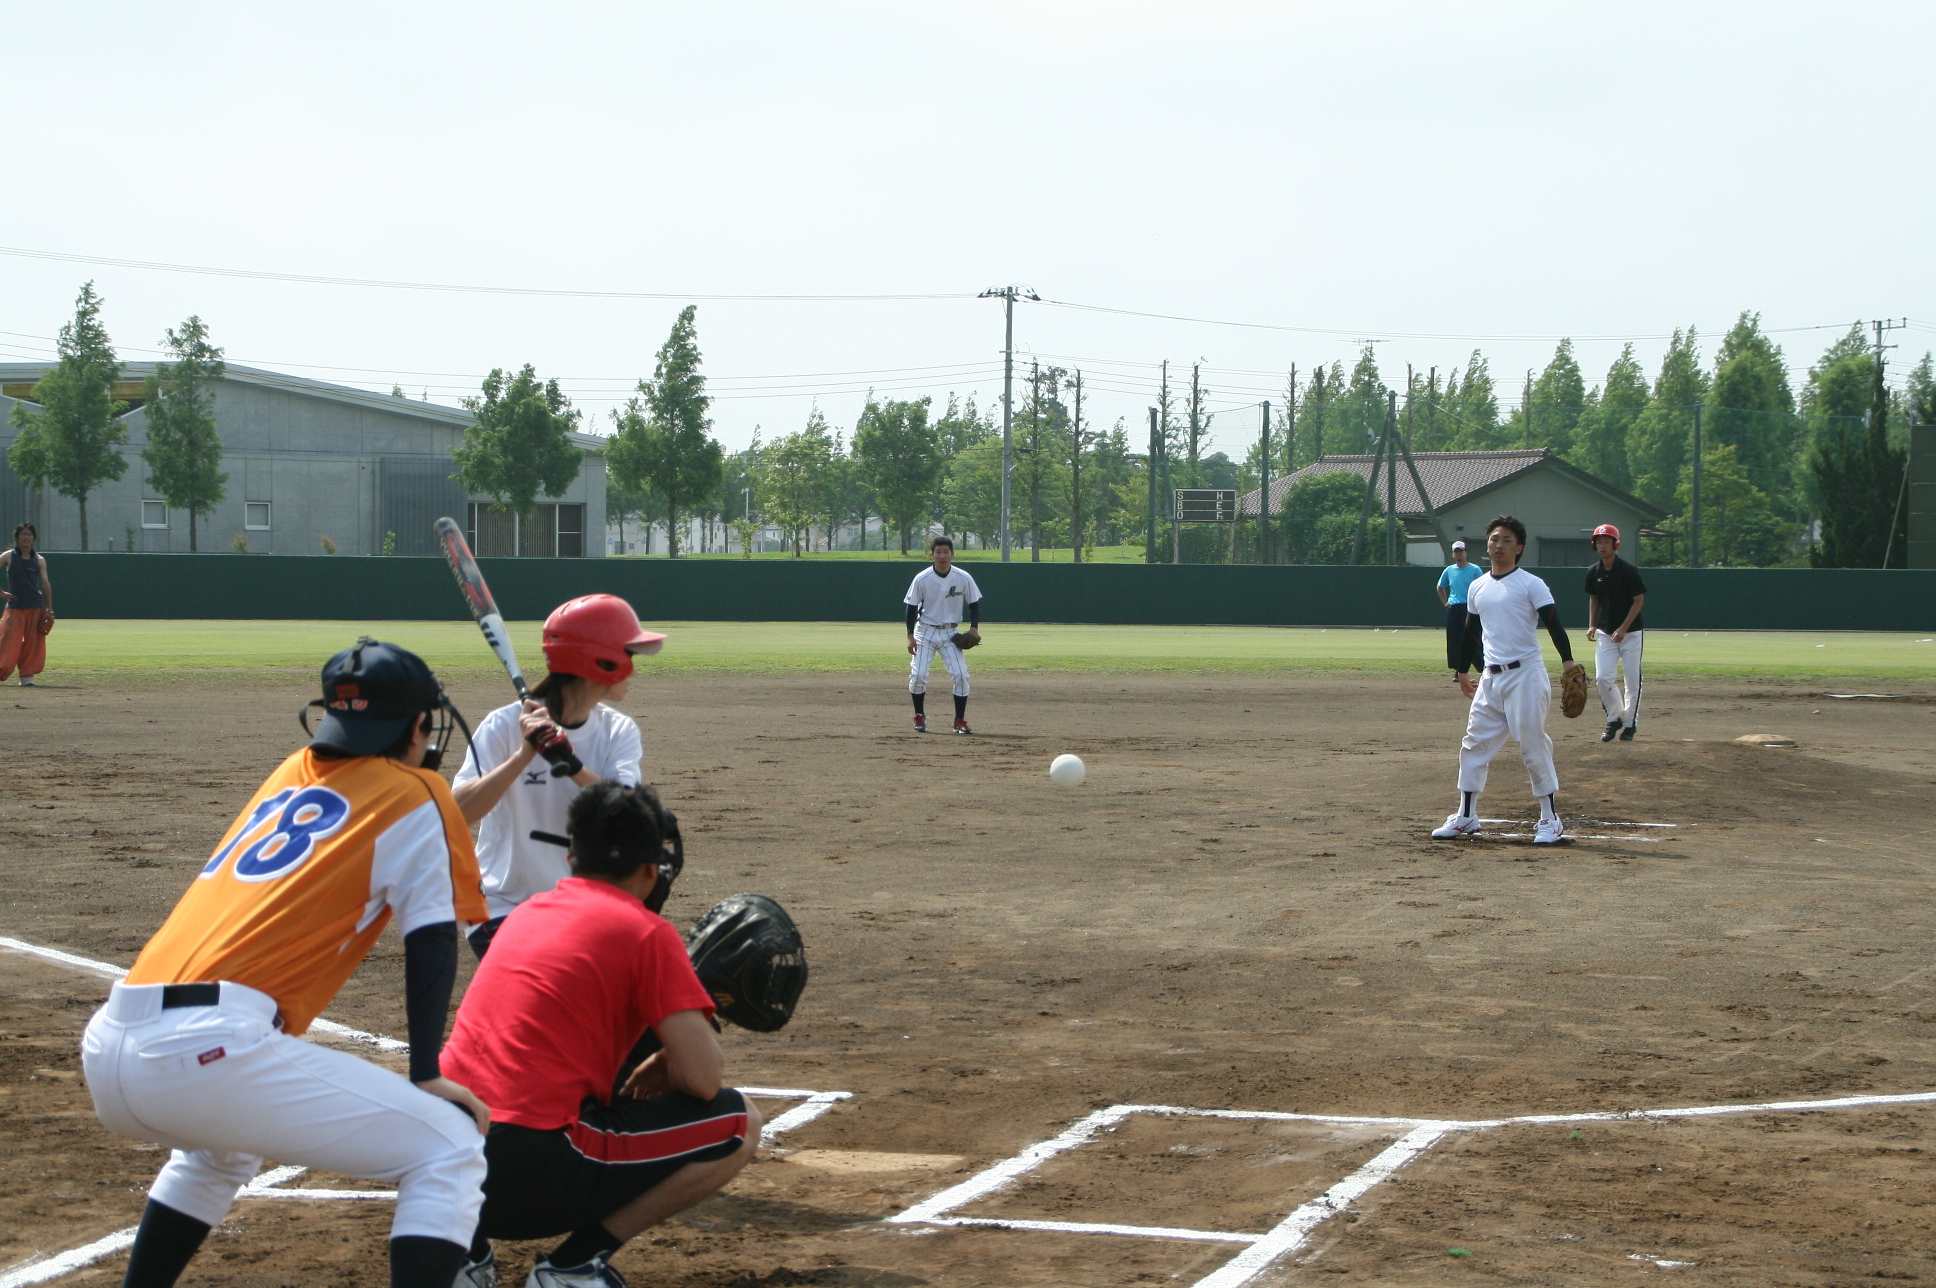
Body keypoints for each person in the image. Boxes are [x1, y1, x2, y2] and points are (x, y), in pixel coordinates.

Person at [80, 639, 491, 1288]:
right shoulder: (418, 791)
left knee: (220, 1154)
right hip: (208, 1050)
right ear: (418, 727)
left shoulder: (291, 771)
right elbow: (433, 937)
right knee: (449, 1144)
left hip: (111, 1041)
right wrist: (426, 1073)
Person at [441, 782, 760, 1288]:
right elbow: (703, 1082)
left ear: (571, 858)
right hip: (526, 1172)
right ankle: (574, 1267)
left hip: (438, 1165)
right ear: (652, 870)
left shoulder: (524, 914)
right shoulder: (648, 934)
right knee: (738, 1122)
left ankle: (462, 1254)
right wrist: (676, 1051)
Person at [453, 594, 662, 958]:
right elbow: (455, 814)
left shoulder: (618, 732)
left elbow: (629, 815)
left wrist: (571, 764)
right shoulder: (503, 726)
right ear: (600, 661)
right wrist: (523, 756)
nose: (634, 667)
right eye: (628, 654)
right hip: (503, 905)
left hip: (582, 907)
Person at [1432, 515, 1586, 846]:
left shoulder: (1531, 584)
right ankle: (1466, 816)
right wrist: (1461, 670)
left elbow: (1553, 623)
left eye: (1505, 540)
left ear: (1519, 548)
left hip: (1526, 675)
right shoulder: (1477, 585)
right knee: (1473, 743)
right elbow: (1472, 631)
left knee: (1531, 742)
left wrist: (1568, 661)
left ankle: (1551, 818)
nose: (1498, 545)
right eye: (1493, 539)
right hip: (1491, 677)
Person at [904, 536, 981, 734]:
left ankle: (959, 720)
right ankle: (919, 716)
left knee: (961, 675)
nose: (942, 555)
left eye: (946, 552)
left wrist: (974, 628)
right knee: (919, 674)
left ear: (952, 554)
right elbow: (911, 608)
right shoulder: (922, 578)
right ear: (932, 555)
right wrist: (910, 636)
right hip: (925, 632)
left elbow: (974, 605)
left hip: (950, 633)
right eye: (938, 552)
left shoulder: (963, 577)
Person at [1582, 523, 1647, 742]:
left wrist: (1623, 628)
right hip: (1605, 631)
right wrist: (1592, 624)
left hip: (1631, 633)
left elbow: (1639, 600)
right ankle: (1614, 718)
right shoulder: (1594, 571)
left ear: (1615, 544)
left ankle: (1629, 724)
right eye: (1599, 542)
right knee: (1602, 677)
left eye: (1606, 542)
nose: (1602, 546)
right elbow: (1594, 598)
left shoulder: (1627, 570)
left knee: (1632, 679)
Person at [0, 521, 53, 686]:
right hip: (15, 607)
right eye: (23, 534)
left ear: (34, 538)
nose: (26, 537)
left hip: (35, 606)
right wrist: (1, 593)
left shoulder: (39, 559)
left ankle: (27, 675)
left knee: (33, 643)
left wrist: (49, 607)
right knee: (8, 640)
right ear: (17, 537)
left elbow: (45, 584)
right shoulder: (9, 556)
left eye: (29, 534)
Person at [1435, 539, 1482, 675]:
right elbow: (1440, 587)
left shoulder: (1474, 570)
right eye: (1456, 552)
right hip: (1454, 607)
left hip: (1470, 608)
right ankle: (1459, 669)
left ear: (1466, 552)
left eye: (1461, 551)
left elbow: (1482, 588)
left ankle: (1482, 667)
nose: (1459, 554)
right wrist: (1445, 602)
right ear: (1452, 554)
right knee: (1455, 640)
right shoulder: (1449, 571)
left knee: (1474, 637)